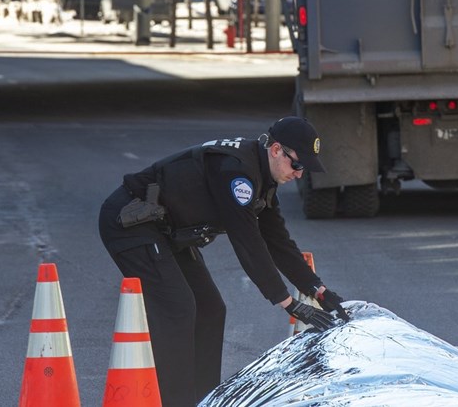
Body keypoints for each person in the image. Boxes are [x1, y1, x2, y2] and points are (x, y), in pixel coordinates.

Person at [98, 117, 349, 406]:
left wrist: (318, 289)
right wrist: (288, 303)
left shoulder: (262, 179)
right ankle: (175, 402)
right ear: (277, 149)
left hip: (168, 231)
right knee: (177, 308)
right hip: (131, 223)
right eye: (297, 165)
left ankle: (205, 400)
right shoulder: (236, 172)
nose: (300, 174)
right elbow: (247, 242)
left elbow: (278, 241)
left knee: (210, 309)